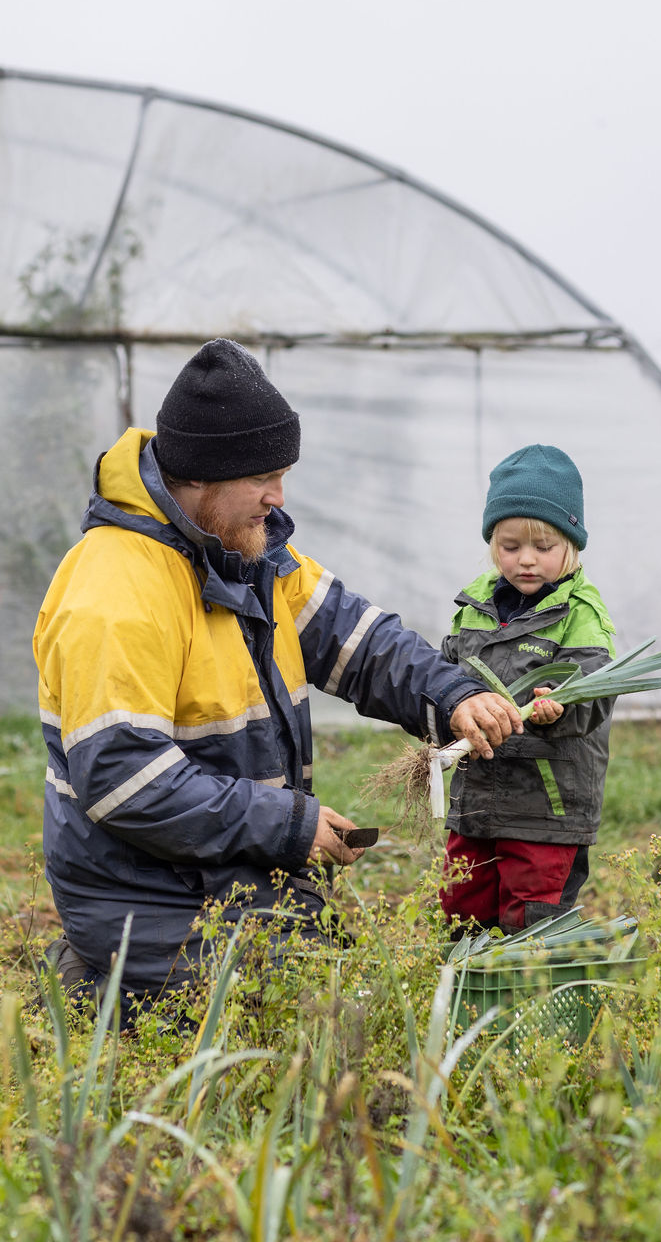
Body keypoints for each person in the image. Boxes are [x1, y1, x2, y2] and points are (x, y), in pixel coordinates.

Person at [34, 338, 521, 1011]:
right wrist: (289, 823)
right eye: (263, 476)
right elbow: (124, 777)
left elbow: (354, 637)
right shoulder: (116, 592)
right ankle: (97, 974)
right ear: (201, 475)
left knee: (336, 995)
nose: (278, 494)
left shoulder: (244, 548)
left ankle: (102, 979)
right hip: (145, 888)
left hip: (225, 868)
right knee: (299, 1024)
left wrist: (451, 694)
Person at [438, 444, 617, 935]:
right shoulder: (473, 605)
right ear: (492, 542)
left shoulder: (581, 614)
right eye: (510, 546)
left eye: (544, 547)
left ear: (572, 545)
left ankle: (528, 1008)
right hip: (476, 802)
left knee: (531, 923)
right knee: (462, 908)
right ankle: (466, 1005)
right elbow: (445, 676)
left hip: (547, 808)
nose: (526, 560)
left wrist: (558, 705)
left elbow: (592, 694)